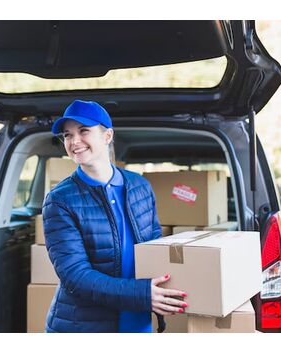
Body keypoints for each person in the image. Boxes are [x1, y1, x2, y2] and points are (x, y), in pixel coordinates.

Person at [42, 100, 187, 333]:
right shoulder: (60, 200)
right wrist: (142, 294)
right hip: (85, 326)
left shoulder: (140, 186)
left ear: (107, 135)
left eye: (83, 131)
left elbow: (155, 246)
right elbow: (76, 276)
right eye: (67, 135)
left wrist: (168, 288)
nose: (74, 141)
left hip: (138, 319)